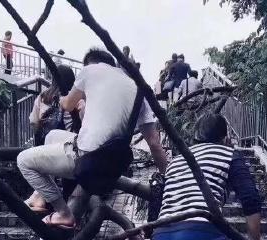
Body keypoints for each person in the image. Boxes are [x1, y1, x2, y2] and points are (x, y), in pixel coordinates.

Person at [17, 48, 167, 228]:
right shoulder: (138, 90)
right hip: (113, 163)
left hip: (87, 158)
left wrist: (64, 98)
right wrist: (166, 177)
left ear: (90, 64)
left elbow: (67, 105)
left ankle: (64, 213)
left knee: (23, 160)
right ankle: (39, 196)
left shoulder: (90, 70)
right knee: (52, 136)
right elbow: (154, 144)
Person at [25, 65, 79, 213]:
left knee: (44, 170)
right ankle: (70, 209)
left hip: (47, 145)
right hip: (68, 147)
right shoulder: (75, 98)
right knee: (70, 180)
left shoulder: (43, 97)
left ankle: (44, 201)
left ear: (53, 79)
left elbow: (33, 122)